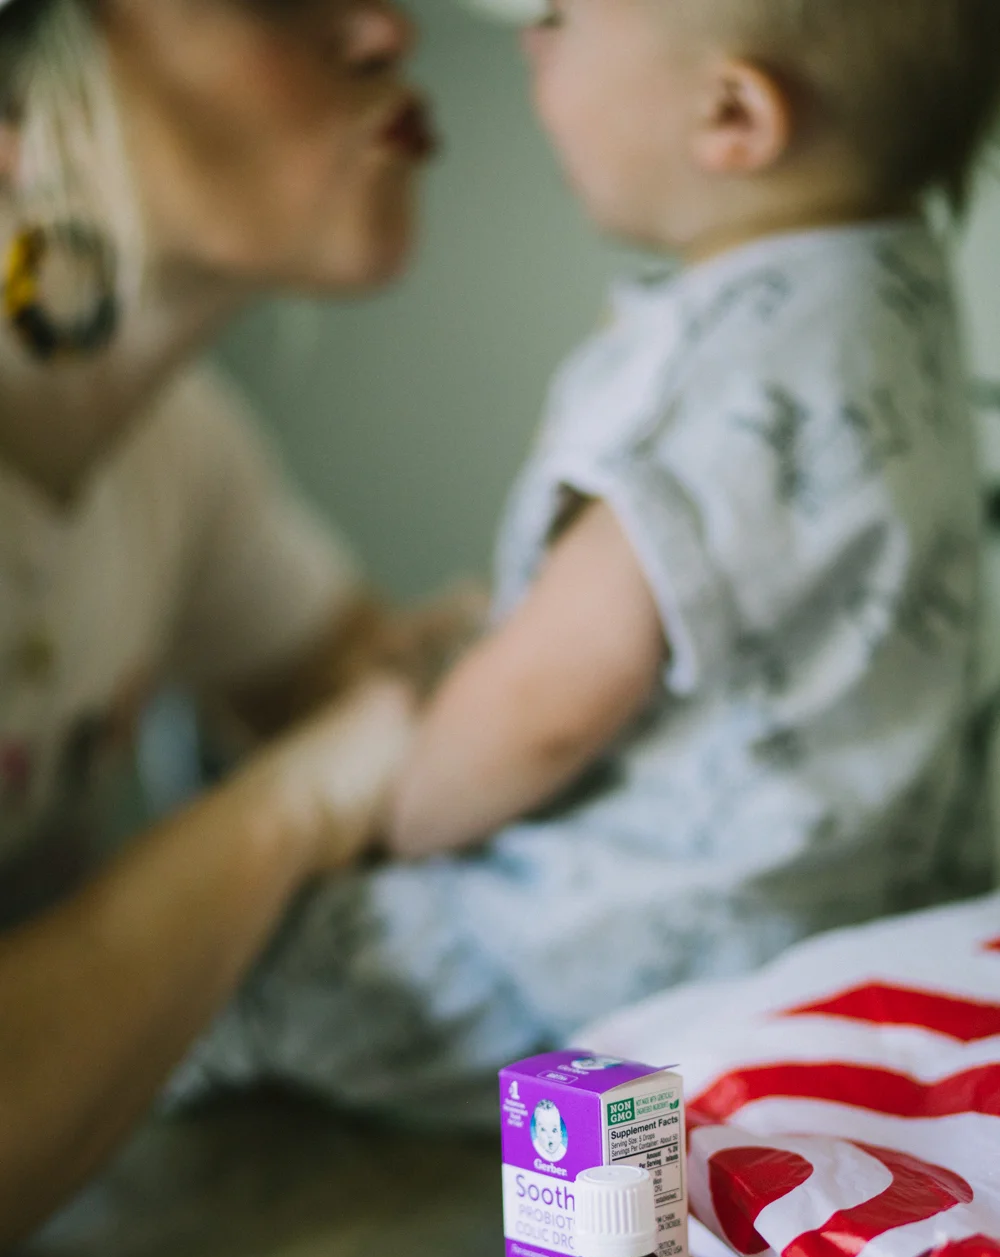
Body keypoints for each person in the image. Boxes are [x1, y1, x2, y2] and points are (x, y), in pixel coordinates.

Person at [164, 0, 1000, 1127]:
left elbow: (547, 708)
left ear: (732, 116)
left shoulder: (715, 372)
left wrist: (395, 806)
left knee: (253, 964)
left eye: (558, 17)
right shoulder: (898, 306)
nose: (527, 39)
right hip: (859, 911)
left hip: (627, 957)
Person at [0, 0, 455, 1247]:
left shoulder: (178, 447)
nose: (385, 30)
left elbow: (361, 691)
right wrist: (289, 805)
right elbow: (349, 746)